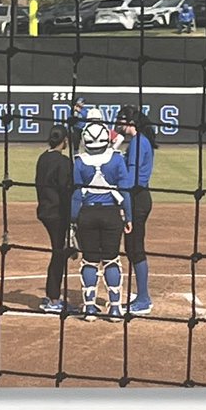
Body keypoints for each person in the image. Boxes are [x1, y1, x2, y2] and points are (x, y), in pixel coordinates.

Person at [71, 115, 132, 320]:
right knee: (111, 260)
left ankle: (89, 308)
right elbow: (125, 191)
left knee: (89, 261)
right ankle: (115, 308)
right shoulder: (116, 158)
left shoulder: (79, 161)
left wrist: (72, 220)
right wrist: (129, 217)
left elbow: (76, 194)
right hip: (111, 214)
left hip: (87, 214)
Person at [116, 103, 156, 313]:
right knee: (132, 247)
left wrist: (125, 207)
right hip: (140, 197)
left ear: (130, 122)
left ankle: (143, 299)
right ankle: (141, 293)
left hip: (136, 199)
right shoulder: (140, 141)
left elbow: (130, 180)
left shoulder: (138, 143)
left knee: (135, 248)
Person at [34, 125, 73, 314]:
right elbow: (66, 191)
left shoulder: (43, 158)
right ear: (64, 141)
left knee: (60, 251)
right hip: (58, 214)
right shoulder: (63, 162)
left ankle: (53, 296)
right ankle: (53, 298)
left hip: (45, 210)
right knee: (60, 252)